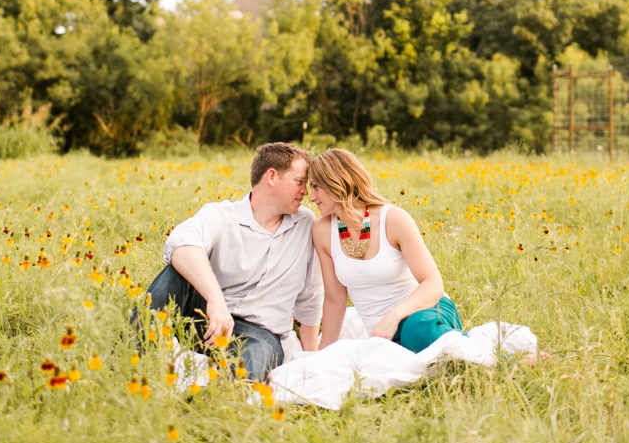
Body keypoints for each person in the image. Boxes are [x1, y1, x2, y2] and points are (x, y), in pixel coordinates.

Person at [140, 142, 322, 380]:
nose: (305, 192)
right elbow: (180, 241)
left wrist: (314, 360)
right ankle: (136, 353)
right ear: (272, 177)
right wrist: (215, 301)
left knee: (254, 362)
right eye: (299, 182)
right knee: (178, 269)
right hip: (205, 320)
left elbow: (311, 297)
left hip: (260, 334)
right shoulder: (223, 215)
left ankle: (224, 400)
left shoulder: (306, 224)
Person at [308, 148, 462, 352]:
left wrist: (394, 315)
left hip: (426, 312)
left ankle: (487, 358)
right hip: (382, 333)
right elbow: (335, 299)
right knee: (393, 354)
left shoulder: (394, 219)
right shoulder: (322, 231)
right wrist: (323, 354)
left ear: (336, 182)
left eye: (316, 187)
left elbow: (433, 284)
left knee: (417, 331)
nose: (311, 197)